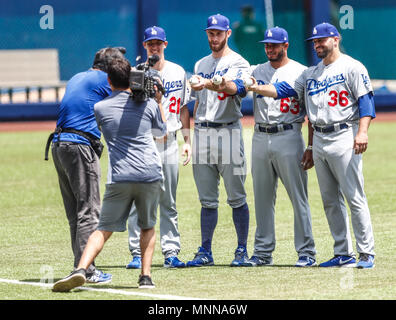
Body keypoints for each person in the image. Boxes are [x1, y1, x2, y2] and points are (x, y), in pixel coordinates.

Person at [243, 22, 376, 269]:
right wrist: (256, 86)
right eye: (314, 41)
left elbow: (366, 102)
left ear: (335, 39)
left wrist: (363, 132)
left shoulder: (352, 67)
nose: (317, 44)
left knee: (354, 197)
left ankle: (366, 253)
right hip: (322, 139)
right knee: (329, 200)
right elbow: (284, 91)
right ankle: (343, 253)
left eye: (322, 40)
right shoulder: (311, 73)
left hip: (345, 134)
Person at [52, 57, 167, 292]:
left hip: (120, 176)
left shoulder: (99, 108)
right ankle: (145, 277)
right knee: (147, 226)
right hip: (149, 174)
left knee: (103, 229)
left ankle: (81, 269)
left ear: (108, 80)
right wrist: (157, 100)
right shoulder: (148, 105)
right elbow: (161, 132)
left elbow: (112, 116)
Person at [47, 47, 126, 284]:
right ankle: (86, 269)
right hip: (80, 146)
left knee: (76, 213)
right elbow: (127, 95)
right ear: (109, 68)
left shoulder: (78, 77)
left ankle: (79, 265)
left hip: (59, 145)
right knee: (89, 211)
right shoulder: (104, 79)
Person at [242, 27, 317, 267]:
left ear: (285, 46)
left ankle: (306, 251)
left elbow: (309, 113)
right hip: (260, 136)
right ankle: (263, 252)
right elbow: (236, 85)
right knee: (262, 198)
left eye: (274, 45)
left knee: (298, 197)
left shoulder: (300, 72)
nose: (270, 49)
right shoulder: (257, 70)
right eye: (267, 45)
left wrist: (311, 146)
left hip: (289, 135)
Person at [187, 14, 251, 267]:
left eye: (218, 33)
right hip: (202, 131)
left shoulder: (239, 62)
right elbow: (196, 104)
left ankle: (242, 250)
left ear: (228, 33)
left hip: (229, 132)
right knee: (207, 198)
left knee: (236, 195)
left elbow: (236, 88)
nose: (214, 37)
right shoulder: (200, 63)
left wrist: (212, 83)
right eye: (210, 33)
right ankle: (205, 251)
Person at [126, 26, 192, 269]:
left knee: (169, 199)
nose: (154, 47)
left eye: (158, 43)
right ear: (144, 46)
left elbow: (184, 108)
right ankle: (136, 252)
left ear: (165, 44)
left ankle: (170, 251)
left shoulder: (177, 71)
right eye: (150, 43)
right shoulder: (137, 73)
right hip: (143, 143)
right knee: (139, 200)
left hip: (170, 142)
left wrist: (187, 141)